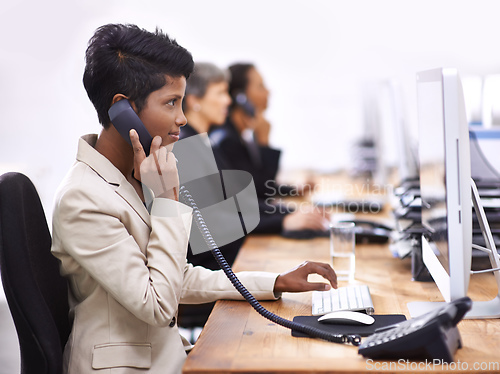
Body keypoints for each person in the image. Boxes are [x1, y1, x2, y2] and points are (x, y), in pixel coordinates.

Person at [51, 24, 337, 374]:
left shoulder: (135, 176)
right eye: (171, 102)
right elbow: (156, 304)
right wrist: (168, 201)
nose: (182, 118)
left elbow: (177, 276)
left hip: (165, 356)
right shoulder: (84, 198)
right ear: (122, 110)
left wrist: (275, 281)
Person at [210, 63, 327, 234]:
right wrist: (264, 142)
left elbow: (257, 182)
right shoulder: (226, 140)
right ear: (240, 97)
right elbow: (257, 193)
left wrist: (294, 190)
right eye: (260, 87)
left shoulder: (239, 134)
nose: (268, 92)